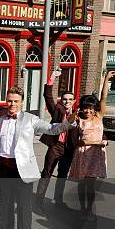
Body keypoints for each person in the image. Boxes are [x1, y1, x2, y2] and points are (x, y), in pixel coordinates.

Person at [0, 86, 77, 229]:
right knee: (5, 207)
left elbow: (52, 129)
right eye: (9, 101)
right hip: (3, 170)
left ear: (21, 102)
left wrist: (68, 123)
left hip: (22, 172)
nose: (12, 104)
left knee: (23, 211)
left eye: (15, 101)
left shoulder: (31, 119)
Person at [68, 72, 115, 221]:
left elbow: (104, 98)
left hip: (96, 155)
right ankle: (83, 209)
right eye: (85, 108)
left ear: (94, 108)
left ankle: (89, 210)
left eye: (90, 108)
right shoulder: (80, 120)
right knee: (83, 184)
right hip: (83, 155)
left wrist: (106, 80)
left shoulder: (99, 116)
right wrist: (73, 114)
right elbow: (71, 129)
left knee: (92, 184)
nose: (88, 111)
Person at [36, 70, 77, 211]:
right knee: (46, 173)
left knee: (62, 175)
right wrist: (52, 78)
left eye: (70, 99)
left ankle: (58, 201)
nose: (67, 102)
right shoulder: (58, 111)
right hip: (56, 146)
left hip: (69, 149)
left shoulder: (78, 115)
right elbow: (47, 96)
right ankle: (39, 202)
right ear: (61, 101)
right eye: (65, 99)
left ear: (74, 101)